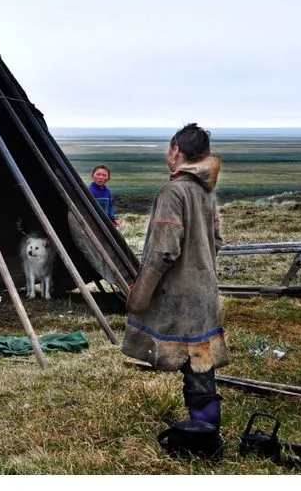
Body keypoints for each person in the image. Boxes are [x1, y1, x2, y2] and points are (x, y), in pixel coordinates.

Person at [122, 123, 229, 436]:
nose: (168, 155)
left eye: (170, 149)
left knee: (196, 362)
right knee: (201, 358)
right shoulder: (206, 193)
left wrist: (141, 292)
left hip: (178, 294)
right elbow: (217, 241)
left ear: (177, 152)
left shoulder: (174, 190)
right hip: (204, 290)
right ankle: (206, 425)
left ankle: (204, 433)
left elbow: (164, 251)